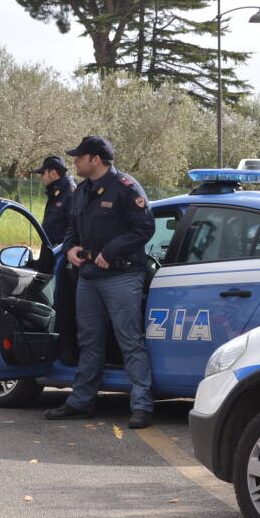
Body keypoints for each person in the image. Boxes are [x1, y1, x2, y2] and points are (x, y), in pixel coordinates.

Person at [43, 136, 156, 429]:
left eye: (79, 157)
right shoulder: (81, 191)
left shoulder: (127, 188)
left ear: (95, 159)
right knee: (89, 341)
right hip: (89, 276)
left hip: (122, 274)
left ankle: (141, 405)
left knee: (129, 340)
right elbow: (72, 228)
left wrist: (111, 251)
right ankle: (81, 401)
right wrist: (69, 248)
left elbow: (144, 228)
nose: (75, 162)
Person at [31, 154, 76, 246]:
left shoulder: (70, 194)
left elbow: (75, 230)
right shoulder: (56, 193)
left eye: (43, 173)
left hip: (62, 254)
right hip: (52, 250)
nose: (41, 177)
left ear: (53, 174)